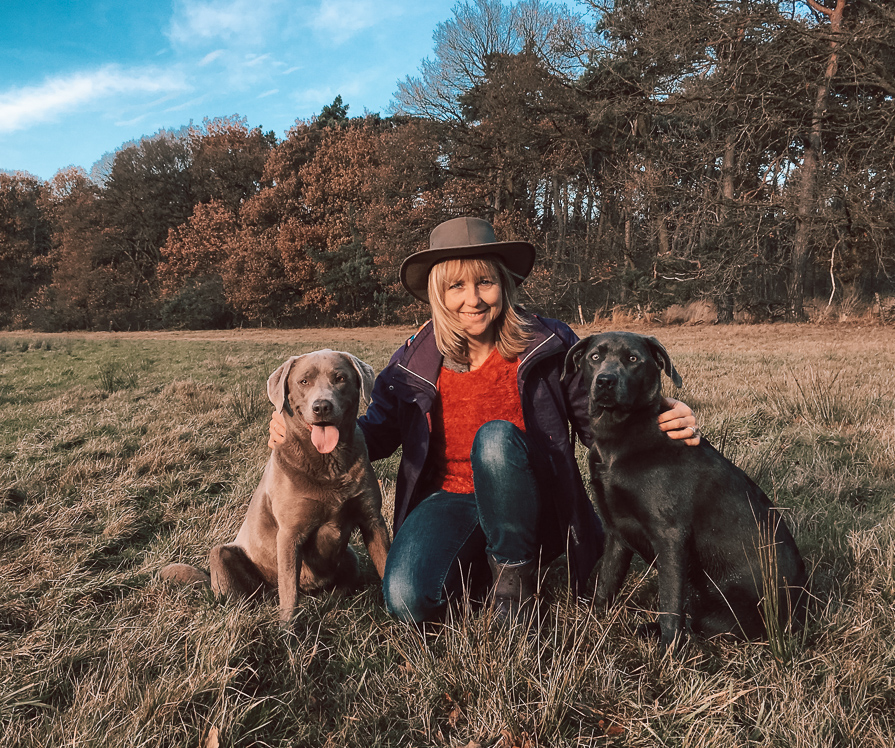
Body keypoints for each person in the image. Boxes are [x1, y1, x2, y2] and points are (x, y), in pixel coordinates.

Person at [269, 216, 699, 627]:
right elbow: (375, 434)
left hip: (531, 495)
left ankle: (516, 593)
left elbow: (598, 424)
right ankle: (478, 570)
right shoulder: (411, 360)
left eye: (485, 282)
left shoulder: (548, 345)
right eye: (456, 286)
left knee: (493, 439)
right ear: (439, 293)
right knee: (406, 599)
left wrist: (661, 417)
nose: (472, 299)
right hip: (449, 498)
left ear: (504, 285)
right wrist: (304, 426)